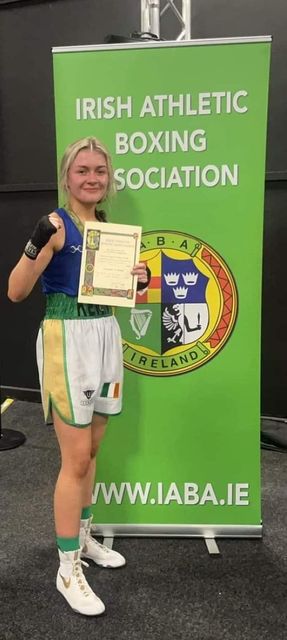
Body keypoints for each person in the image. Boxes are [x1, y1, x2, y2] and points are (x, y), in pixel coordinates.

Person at [7, 136, 149, 616]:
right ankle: (67, 569)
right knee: (74, 460)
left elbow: (120, 293)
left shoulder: (107, 228)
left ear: (108, 180)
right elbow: (16, 291)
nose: (92, 179)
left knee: (91, 451)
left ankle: (83, 540)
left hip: (105, 332)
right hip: (67, 338)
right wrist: (34, 243)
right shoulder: (56, 225)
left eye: (100, 172)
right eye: (83, 170)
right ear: (67, 176)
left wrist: (138, 282)